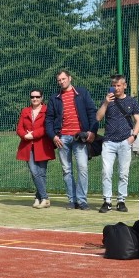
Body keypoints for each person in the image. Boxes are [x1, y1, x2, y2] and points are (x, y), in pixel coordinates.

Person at [44, 69, 98, 210]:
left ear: (70, 78)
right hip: (62, 139)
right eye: (59, 80)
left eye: (63, 79)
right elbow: (48, 120)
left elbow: (92, 112)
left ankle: (81, 200)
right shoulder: (54, 98)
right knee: (66, 170)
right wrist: (54, 136)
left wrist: (92, 131)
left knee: (83, 168)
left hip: (79, 138)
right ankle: (72, 200)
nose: (61, 82)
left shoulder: (82, 93)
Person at [96, 74, 139, 213]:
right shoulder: (108, 100)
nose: (116, 88)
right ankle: (107, 201)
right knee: (106, 171)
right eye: (114, 85)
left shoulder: (131, 101)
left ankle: (121, 201)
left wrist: (133, 136)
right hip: (109, 142)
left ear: (124, 86)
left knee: (123, 172)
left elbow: (138, 120)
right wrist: (105, 103)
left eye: (119, 85)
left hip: (125, 141)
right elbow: (98, 117)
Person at [16, 89, 56, 208]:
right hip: (27, 145)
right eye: (32, 97)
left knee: (41, 173)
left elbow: (46, 127)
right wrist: (25, 135)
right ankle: (45, 198)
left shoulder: (47, 110)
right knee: (34, 172)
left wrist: (33, 134)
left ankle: (39, 198)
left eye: (37, 97)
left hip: (43, 145)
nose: (35, 99)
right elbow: (19, 128)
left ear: (42, 98)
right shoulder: (25, 111)